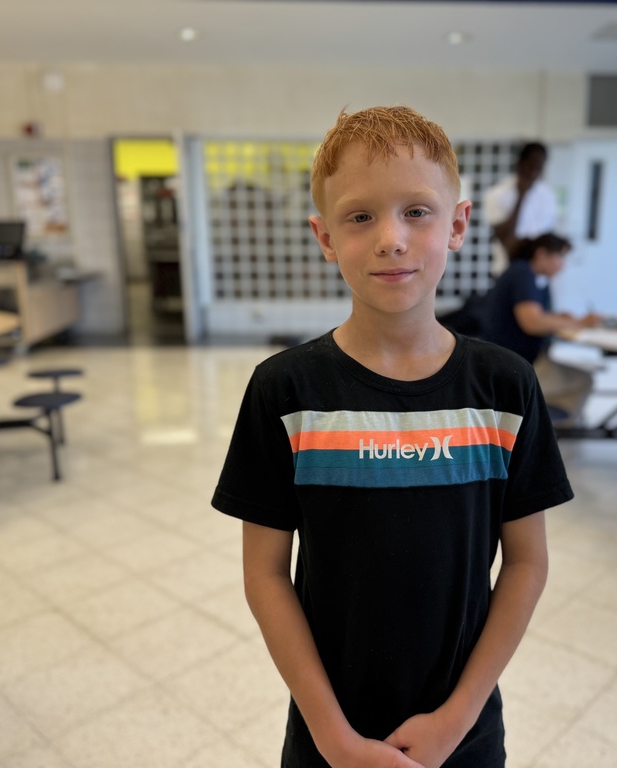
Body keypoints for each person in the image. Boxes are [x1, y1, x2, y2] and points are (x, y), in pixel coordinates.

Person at [212, 106, 574, 768]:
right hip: (329, 734)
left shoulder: (505, 388)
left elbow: (527, 562)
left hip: (463, 730)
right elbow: (265, 573)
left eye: (416, 211)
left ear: (458, 223)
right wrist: (332, 734)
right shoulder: (286, 391)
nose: (391, 238)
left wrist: (455, 719)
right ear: (325, 237)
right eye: (360, 217)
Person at [483, 232, 601, 423]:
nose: (562, 264)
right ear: (542, 254)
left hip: (510, 361)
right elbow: (533, 323)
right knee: (584, 380)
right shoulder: (523, 275)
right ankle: (551, 437)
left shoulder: (527, 275)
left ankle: (542, 429)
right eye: (560, 257)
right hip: (516, 368)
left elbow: (531, 315)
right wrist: (580, 323)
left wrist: (555, 318)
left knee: (577, 380)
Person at [482, 141, 557, 277]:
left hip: (539, 274)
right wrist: (521, 197)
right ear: (520, 163)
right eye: (532, 164)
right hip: (507, 271)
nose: (535, 170)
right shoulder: (497, 194)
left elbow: (546, 236)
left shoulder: (547, 196)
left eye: (540, 165)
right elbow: (503, 235)